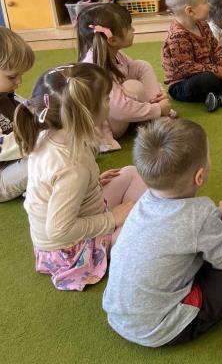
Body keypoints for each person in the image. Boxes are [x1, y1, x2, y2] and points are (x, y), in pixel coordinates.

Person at [103, 118, 222, 347]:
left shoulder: (144, 201)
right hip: (161, 328)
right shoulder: (201, 215)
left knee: (200, 247)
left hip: (117, 315)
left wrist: (219, 219)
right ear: (199, 176)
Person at [19, 63, 147, 290]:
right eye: (106, 98)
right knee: (140, 227)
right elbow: (59, 231)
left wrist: (92, 184)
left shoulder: (52, 134)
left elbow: (53, 188)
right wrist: (112, 219)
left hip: (66, 228)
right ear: (85, 113)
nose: (110, 102)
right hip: (71, 251)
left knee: (130, 173)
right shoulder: (73, 168)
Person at [77, 3, 174, 146]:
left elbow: (137, 71)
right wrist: (157, 109)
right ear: (113, 40)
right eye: (129, 27)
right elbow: (119, 110)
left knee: (141, 65)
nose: (133, 29)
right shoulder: (96, 68)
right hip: (108, 126)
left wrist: (158, 93)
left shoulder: (115, 54)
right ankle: (156, 116)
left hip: (117, 114)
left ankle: (157, 110)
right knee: (133, 86)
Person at [0, 27, 35, 202]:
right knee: (42, 161)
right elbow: (3, 149)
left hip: (17, 161)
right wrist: (36, 135)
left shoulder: (8, 95)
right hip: (2, 175)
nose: (19, 81)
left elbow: (30, 111)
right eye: (12, 77)